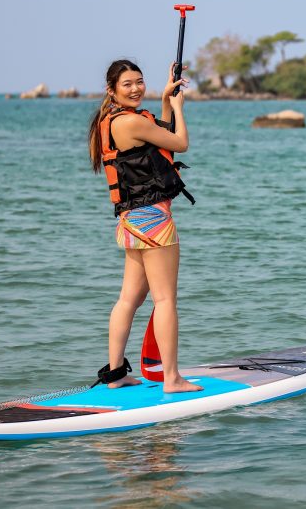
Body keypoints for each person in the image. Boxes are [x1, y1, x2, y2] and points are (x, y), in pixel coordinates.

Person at [87, 59, 201, 394]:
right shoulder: (131, 123)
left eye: (140, 81)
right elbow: (178, 142)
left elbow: (157, 137)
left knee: (129, 300)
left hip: (131, 221)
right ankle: (172, 378)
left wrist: (165, 100)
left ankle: (115, 374)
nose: (136, 88)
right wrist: (180, 108)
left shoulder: (109, 121)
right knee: (165, 300)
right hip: (153, 220)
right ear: (112, 90)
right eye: (127, 84)